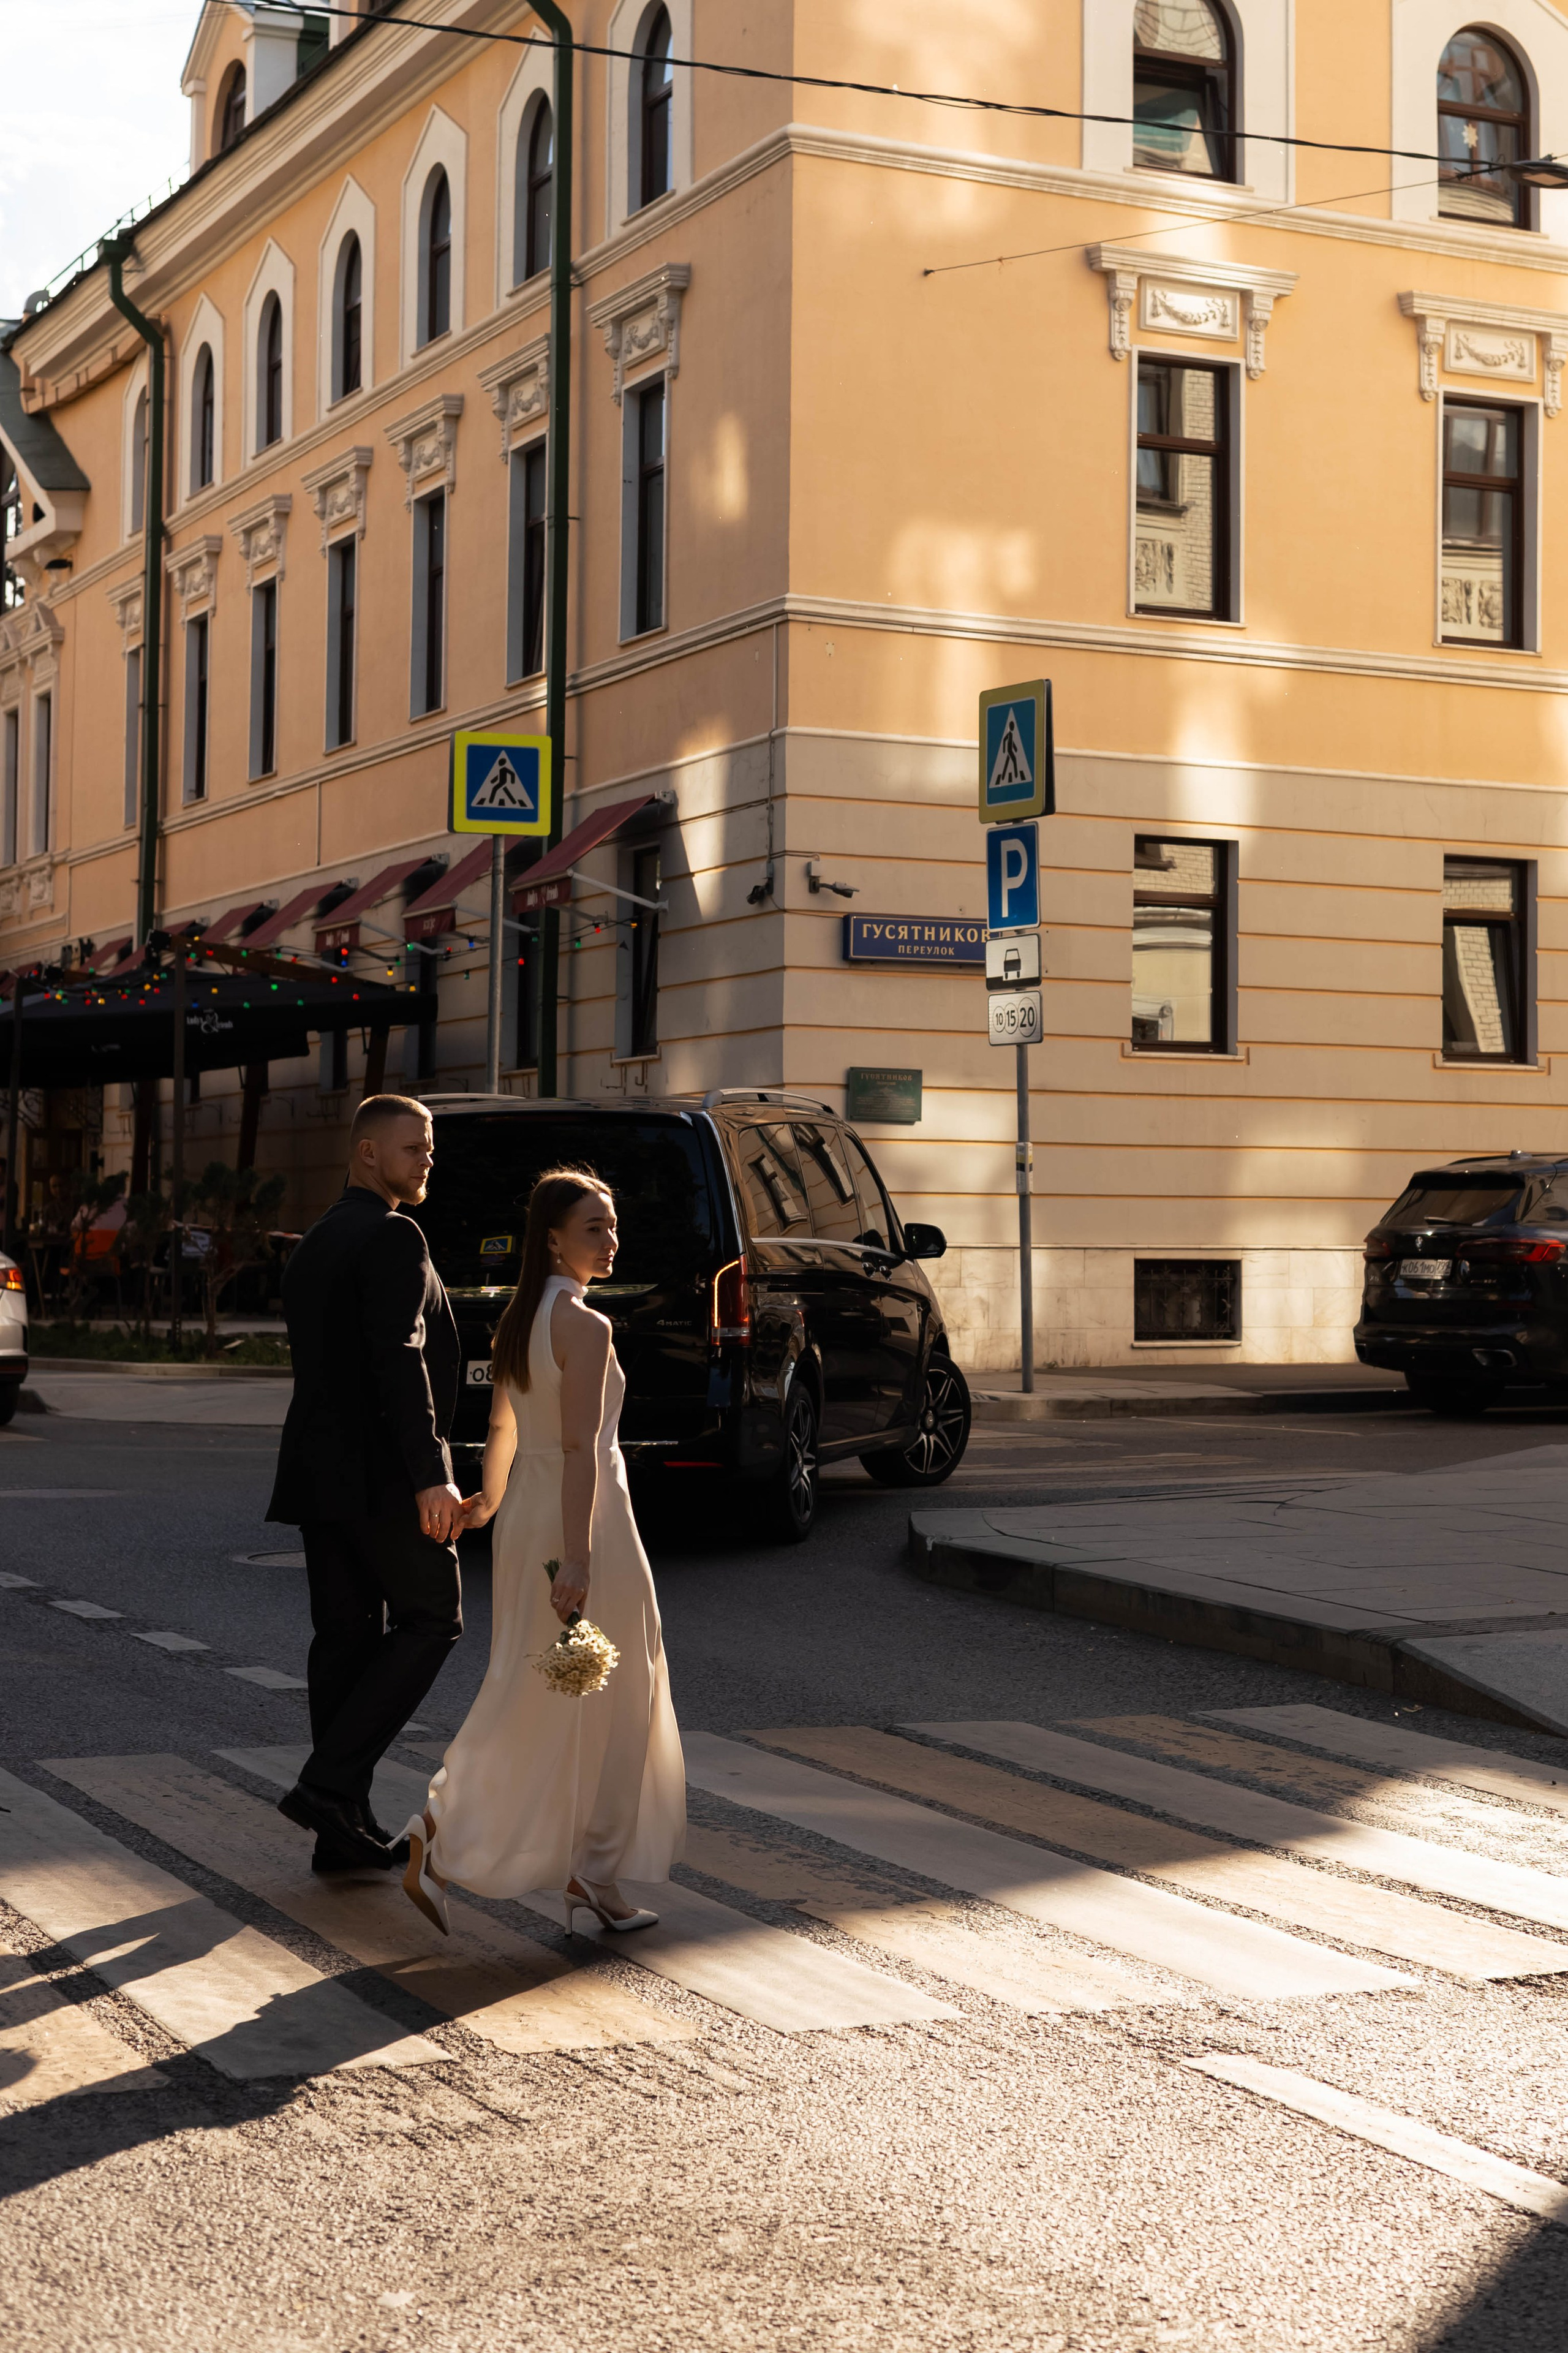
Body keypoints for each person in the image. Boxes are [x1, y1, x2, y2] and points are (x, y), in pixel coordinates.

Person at [402, 1168, 685, 1936]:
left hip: (530, 1515)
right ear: (552, 1238)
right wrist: (583, 1558)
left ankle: (480, 1838)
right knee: (619, 1693)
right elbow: (581, 1448)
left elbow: (501, 1429)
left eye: (613, 1225)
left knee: (539, 1686)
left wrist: (487, 1504)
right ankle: (571, 1864)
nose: (610, 1240)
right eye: (594, 1227)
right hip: (584, 1522)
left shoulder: (522, 1317)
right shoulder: (585, 1326)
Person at [266, 1093, 463, 1874]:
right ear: (368, 1153)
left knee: (345, 1639)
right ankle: (327, 1786)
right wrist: (431, 1475)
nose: (426, 1160)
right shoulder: (391, 1232)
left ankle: (338, 1830)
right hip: (382, 1474)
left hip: (319, 1471)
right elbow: (399, 1359)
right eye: (413, 1148)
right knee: (432, 1619)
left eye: (430, 1148)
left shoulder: (317, 1238)